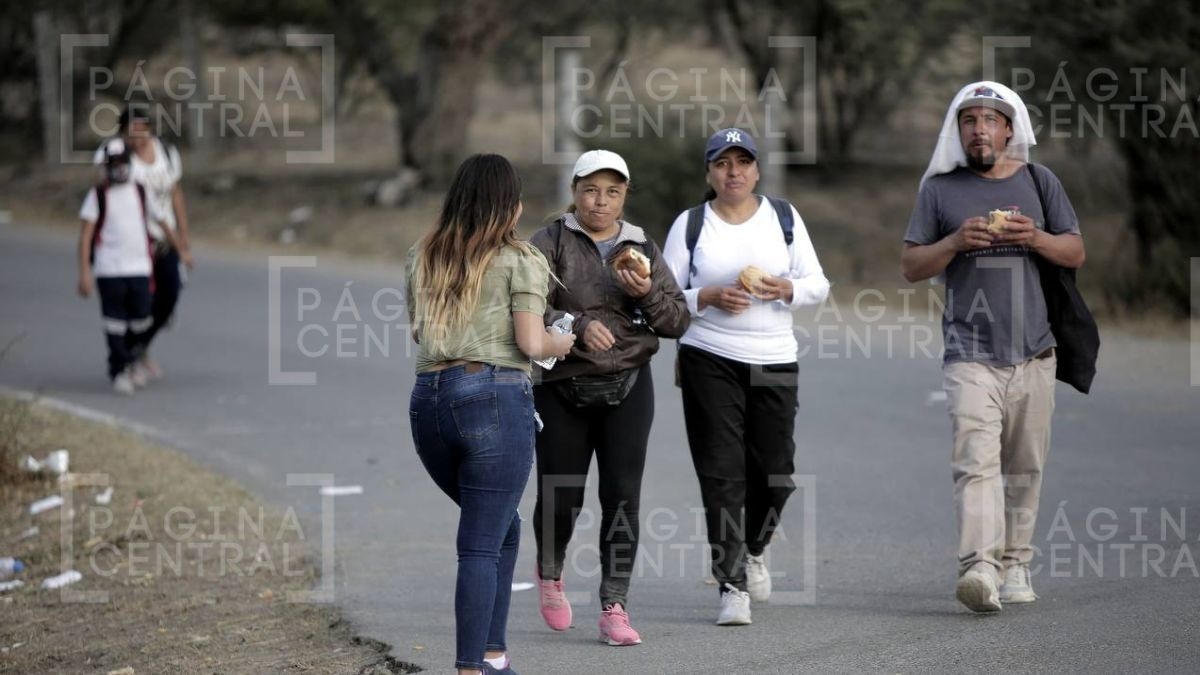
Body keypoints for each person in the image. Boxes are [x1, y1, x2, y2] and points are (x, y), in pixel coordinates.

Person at [901, 81, 1086, 613]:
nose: (979, 128)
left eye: (990, 119)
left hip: (1035, 350)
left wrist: (1035, 239)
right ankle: (979, 567)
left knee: (1025, 465)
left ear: (1011, 128)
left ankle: (1016, 563)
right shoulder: (940, 190)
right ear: (958, 131)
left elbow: (1074, 251)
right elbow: (912, 266)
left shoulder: (1039, 181)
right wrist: (956, 241)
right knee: (975, 461)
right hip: (970, 352)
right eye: (968, 120)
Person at [405, 153, 575, 675]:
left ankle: (494, 656)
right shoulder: (520, 258)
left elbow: (420, 333)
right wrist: (561, 341)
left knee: (503, 527)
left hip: (428, 402)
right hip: (493, 397)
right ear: (511, 204)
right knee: (480, 545)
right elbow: (529, 340)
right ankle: (470, 668)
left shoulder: (422, 254)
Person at [662, 128, 830, 625]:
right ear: (709, 172)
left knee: (776, 474)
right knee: (721, 474)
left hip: (775, 357)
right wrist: (707, 297)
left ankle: (753, 549)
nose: (732, 172)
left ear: (757, 170)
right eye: (722, 163)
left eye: (742, 162)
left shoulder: (783, 218)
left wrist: (786, 289)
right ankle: (731, 584)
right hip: (708, 356)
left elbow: (818, 283)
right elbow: (664, 299)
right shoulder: (691, 225)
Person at [528, 150, 689, 645]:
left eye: (613, 192)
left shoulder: (641, 246)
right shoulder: (547, 242)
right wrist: (576, 325)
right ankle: (551, 575)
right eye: (591, 190)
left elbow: (677, 322)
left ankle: (614, 606)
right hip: (562, 387)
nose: (601, 201)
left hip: (629, 387)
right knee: (562, 497)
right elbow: (525, 311)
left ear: (624, 197)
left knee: (622, 497)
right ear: (574, 191)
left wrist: (643, 293)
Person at [94, 105, 193, 381]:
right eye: (131, 133)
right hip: (135, 242)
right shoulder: (117, 156)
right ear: (122, 133)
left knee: (169, 297)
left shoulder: (167, 153)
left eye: (142, 132)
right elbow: (101, 188)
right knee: (140, 303)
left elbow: (175, 194)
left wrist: (183, 237)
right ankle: (125, 356)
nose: (137, 139)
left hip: (165, 238)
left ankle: (137, 348)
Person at [77, 139, 178, 394]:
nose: (119, 169)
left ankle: (132, 358)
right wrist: (84, 273)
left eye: (123, 163)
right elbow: (86, 235)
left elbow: (162, 220)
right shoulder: (97, 195)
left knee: (142, 317)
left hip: (140, 267)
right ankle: (118, 369)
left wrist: (181, 248)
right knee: (115, 322)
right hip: (109, 269)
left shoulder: (141, 191)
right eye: (114, 164)